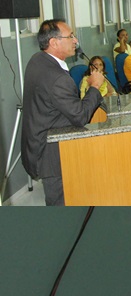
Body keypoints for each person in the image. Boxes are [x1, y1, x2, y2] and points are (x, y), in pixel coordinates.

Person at [21, 19, 104, 206]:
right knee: (60, 204)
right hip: (52, 154)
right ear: (54, 42)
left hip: (38, 143)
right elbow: (80, 116)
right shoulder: (58, 78)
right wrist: (95, 87)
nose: (76, 41)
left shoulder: (37, 60)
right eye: (70, 36)